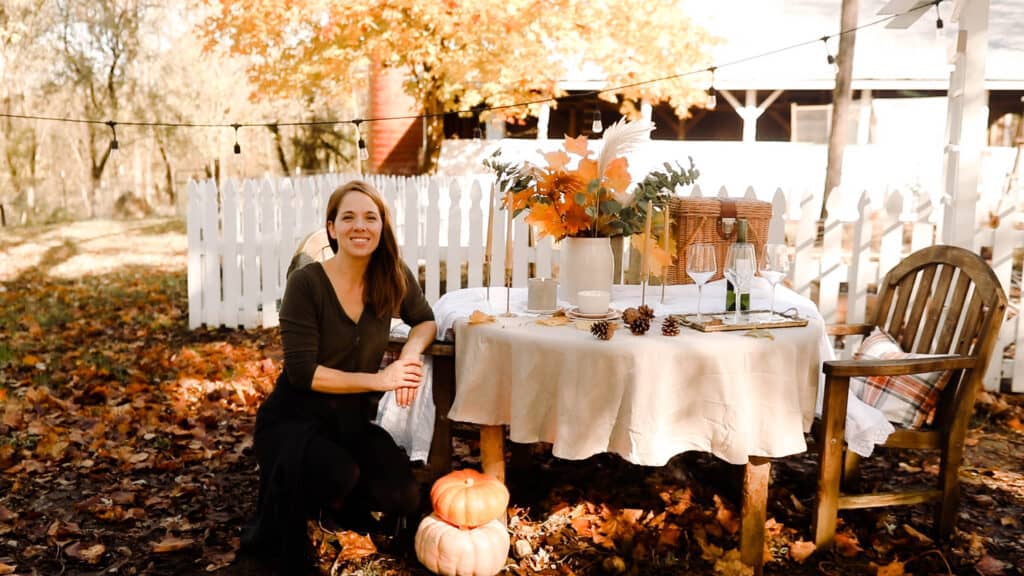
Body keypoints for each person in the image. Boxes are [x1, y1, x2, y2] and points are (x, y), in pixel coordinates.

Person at [241, 180, 437, 571]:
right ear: (331, 228)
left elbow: (425, 321)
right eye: (347, 217)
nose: (359, 226)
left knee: (404, 497)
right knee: (339, 474)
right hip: (293, 418)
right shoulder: (307, 283)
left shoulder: (391, 274)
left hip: (350, 420)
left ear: (383, 226)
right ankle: (316, 504)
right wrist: (382, 380)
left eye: (370, 217)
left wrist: (409, 357)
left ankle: (337, 501)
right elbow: (303, 374)